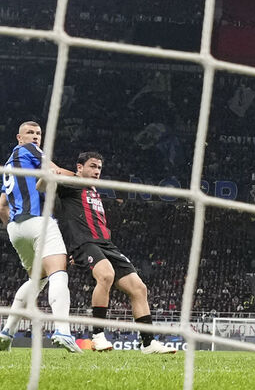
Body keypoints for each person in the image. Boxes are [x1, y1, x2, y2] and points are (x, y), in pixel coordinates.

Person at [56, 151, 177, 354]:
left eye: (99, 168)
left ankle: (148, 343)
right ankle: (97, 336)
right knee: (106, 275)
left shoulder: (92, 191)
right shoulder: (71, 184)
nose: (97, 171)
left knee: (139, 288)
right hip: (85, 243)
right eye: (92, 166)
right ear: (79, 167)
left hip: (106, 244)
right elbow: (55, 173)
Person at [0, 121, 81, 353]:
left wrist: (16, 230)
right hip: (38, 222)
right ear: (19, 137)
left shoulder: (9, 165)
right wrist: (82, 177)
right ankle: (63, 331)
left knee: (37, 280)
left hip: (15, 228)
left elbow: (1, 208)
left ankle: (7, 332)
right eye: (30, 133)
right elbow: (54, 170)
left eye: (38, 133)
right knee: (58, 273)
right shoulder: (30, 151)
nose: (35, 136)